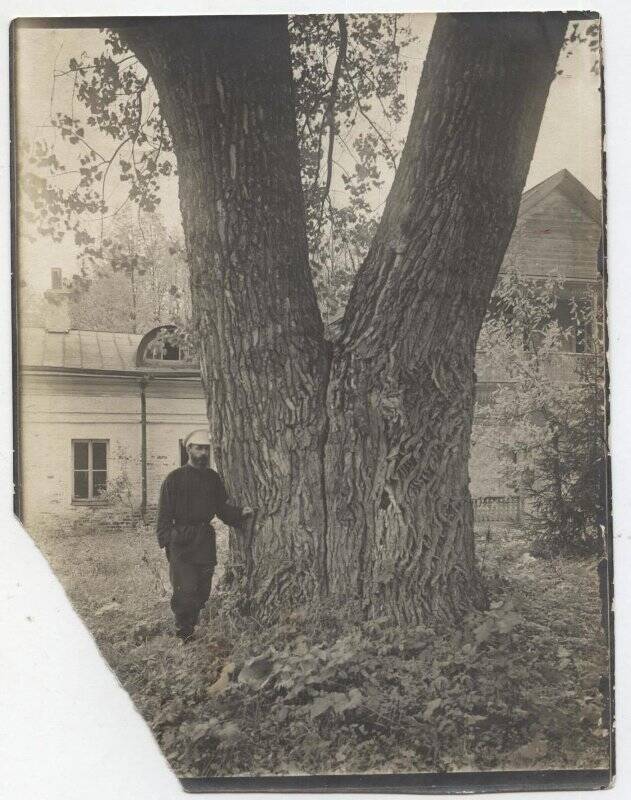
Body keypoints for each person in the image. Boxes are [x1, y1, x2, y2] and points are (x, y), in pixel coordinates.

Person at [156, 429, 253, 641]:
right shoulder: (174, 479)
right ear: (188, 449)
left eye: (206, 449)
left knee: (202, 590)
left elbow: (221, 507)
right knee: (185, 590)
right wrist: (168, 542)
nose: (203, 453)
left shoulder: (212, 478)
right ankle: (185, 634)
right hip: (181, 542)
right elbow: (163, 515)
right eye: (198, 448)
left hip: (204, 541)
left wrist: (239, 513)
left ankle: (193, 623)